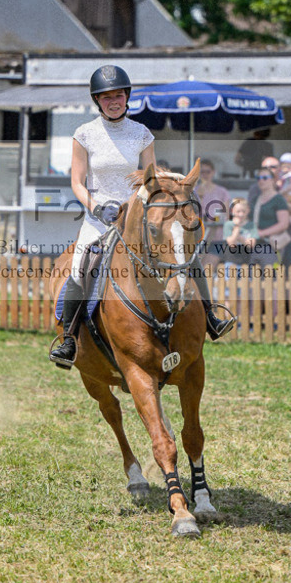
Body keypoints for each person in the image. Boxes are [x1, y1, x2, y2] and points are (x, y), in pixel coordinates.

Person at [50, 65, 234, 366]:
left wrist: (175, 185)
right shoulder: (84, 134)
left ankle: (211, 315)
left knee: (184, 255)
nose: (114, 101)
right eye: (106, 97)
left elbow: (151, 178)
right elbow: (76, 182)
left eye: (118, 96)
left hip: (136, 216)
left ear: (127, 97)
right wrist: (96, 207)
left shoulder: (142, 134)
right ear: (98, 100)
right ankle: (68, 340)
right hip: (100, 217)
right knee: (80, 266)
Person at [250, 166, 291, 269]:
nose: (261, 181)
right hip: (256, 245)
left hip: (273, 245)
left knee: (271, 278)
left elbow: (284, 224)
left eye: (264, 178)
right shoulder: (255, 199)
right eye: (258, 178)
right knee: (252, 278)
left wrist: (262, 233)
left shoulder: (278, 199)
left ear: (272, 180)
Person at [196, 159, 230, 259]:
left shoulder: (222, 192)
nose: (205, 175)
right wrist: (200, 197)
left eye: (208, 171)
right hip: (198, 237)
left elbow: (227, 215)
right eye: (202, 172)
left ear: (213, 172)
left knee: (209, 268)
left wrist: (214, 218)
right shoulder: (194, 191)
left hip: (217, 237)